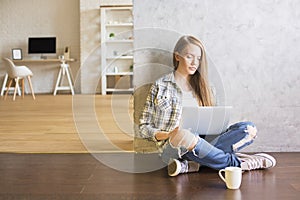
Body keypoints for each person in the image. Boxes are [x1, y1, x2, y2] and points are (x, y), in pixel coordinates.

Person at [139, 35, 276, 177]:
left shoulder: (205, 88)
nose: (194, 63)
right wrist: (168, 134)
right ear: (177, 56)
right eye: (189, 56)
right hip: (173, 147)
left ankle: (194, 164)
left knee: (248, 129)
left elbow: (213, 123)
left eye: (198, 58)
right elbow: (143, 127)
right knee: (184, 135)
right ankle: (238, 164)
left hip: (202, 143)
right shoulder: (161, 86)